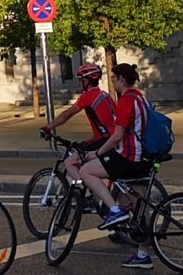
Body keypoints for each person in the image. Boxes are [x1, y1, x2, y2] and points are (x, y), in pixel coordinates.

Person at [78, 63, 153, 269]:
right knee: (138, 207)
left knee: (87, 170)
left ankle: (114, 209)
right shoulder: (140, 97)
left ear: (121, 79)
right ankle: (142, 254)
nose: (112, 81)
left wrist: (98, 152)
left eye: (114, 78)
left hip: (129, 156)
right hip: (144, 158)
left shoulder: (126, 101)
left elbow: (117, 134)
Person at [40, 64, 117, 183]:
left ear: (87, 81)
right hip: (111, 138)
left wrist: (48, 127)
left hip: (106, 141)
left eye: (81, 80)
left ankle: (87, 193)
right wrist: (90, 140)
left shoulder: (88, 96)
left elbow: (67, 114)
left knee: (70, 162)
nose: (80, 83)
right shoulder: (105, 95)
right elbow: (106, 124)